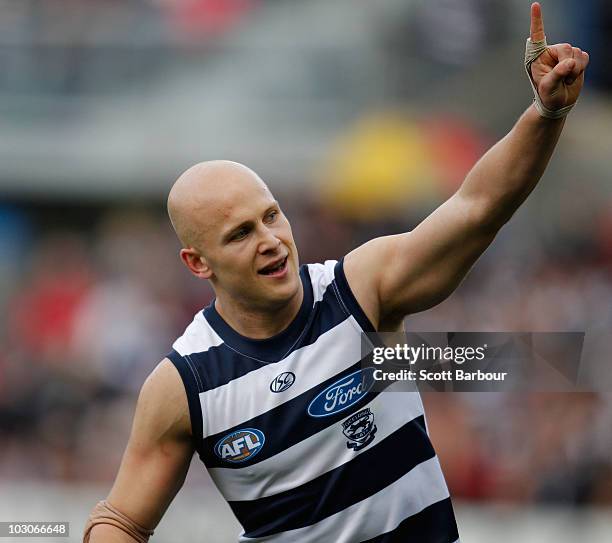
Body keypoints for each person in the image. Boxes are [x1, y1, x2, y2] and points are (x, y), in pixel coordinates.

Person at [84, 3, 589, 542]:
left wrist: (545, 113)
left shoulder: (359, 290)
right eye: (240, 234)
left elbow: (477, 207)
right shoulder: (184, 384)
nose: (270, 241)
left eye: (271, 216)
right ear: (197, 262)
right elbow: (121, 520)